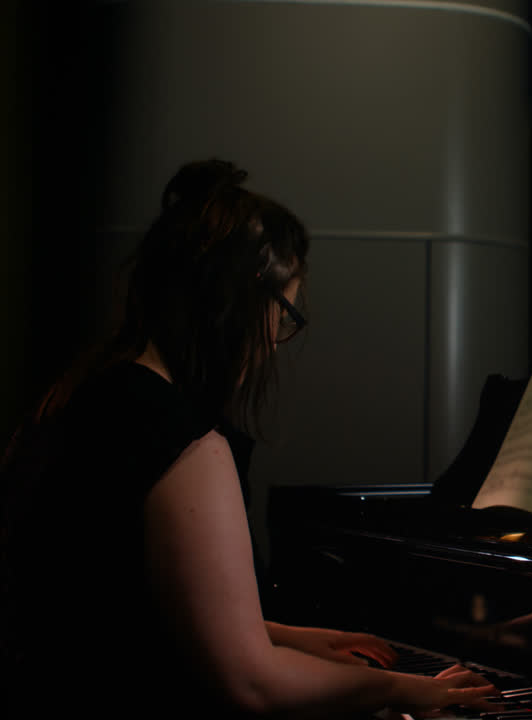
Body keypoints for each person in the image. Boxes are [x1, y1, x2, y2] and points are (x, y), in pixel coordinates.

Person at [0, 159, 500, 718]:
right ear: (237, 303)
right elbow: (250, 685)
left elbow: (114, 604)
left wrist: (279, 633)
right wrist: (405, 690)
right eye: (284, 312)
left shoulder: (87, 396)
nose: (276, 341)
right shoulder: (183, 440)